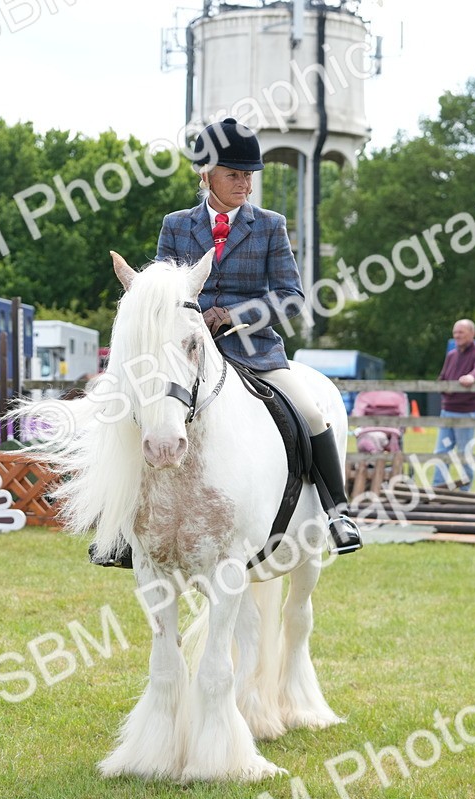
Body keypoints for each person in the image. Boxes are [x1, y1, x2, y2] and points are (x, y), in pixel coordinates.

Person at [91, 117, 363, 568]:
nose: (245, 185)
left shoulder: (270, 226)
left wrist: (235, 316)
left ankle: (338, 513)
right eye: (234, 175)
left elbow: (292, 298)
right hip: (184, 355)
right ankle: (121, 530)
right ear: (207, 174)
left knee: (313, 413)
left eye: (249, 176)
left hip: (254, 351)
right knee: (133, 410)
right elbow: (162, 291)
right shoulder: (176, 225)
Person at [432, 318, 475, 490]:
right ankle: (437, 489)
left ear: (472, 334)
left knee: (464, 453)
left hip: (466, 411)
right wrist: (444, 387)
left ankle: (466, 491)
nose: (457, 335)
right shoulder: (451, 355)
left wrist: (471, 377)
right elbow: (442, 378)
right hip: (447, 410)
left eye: (461, 332)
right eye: (455, 332)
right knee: (441, 452)